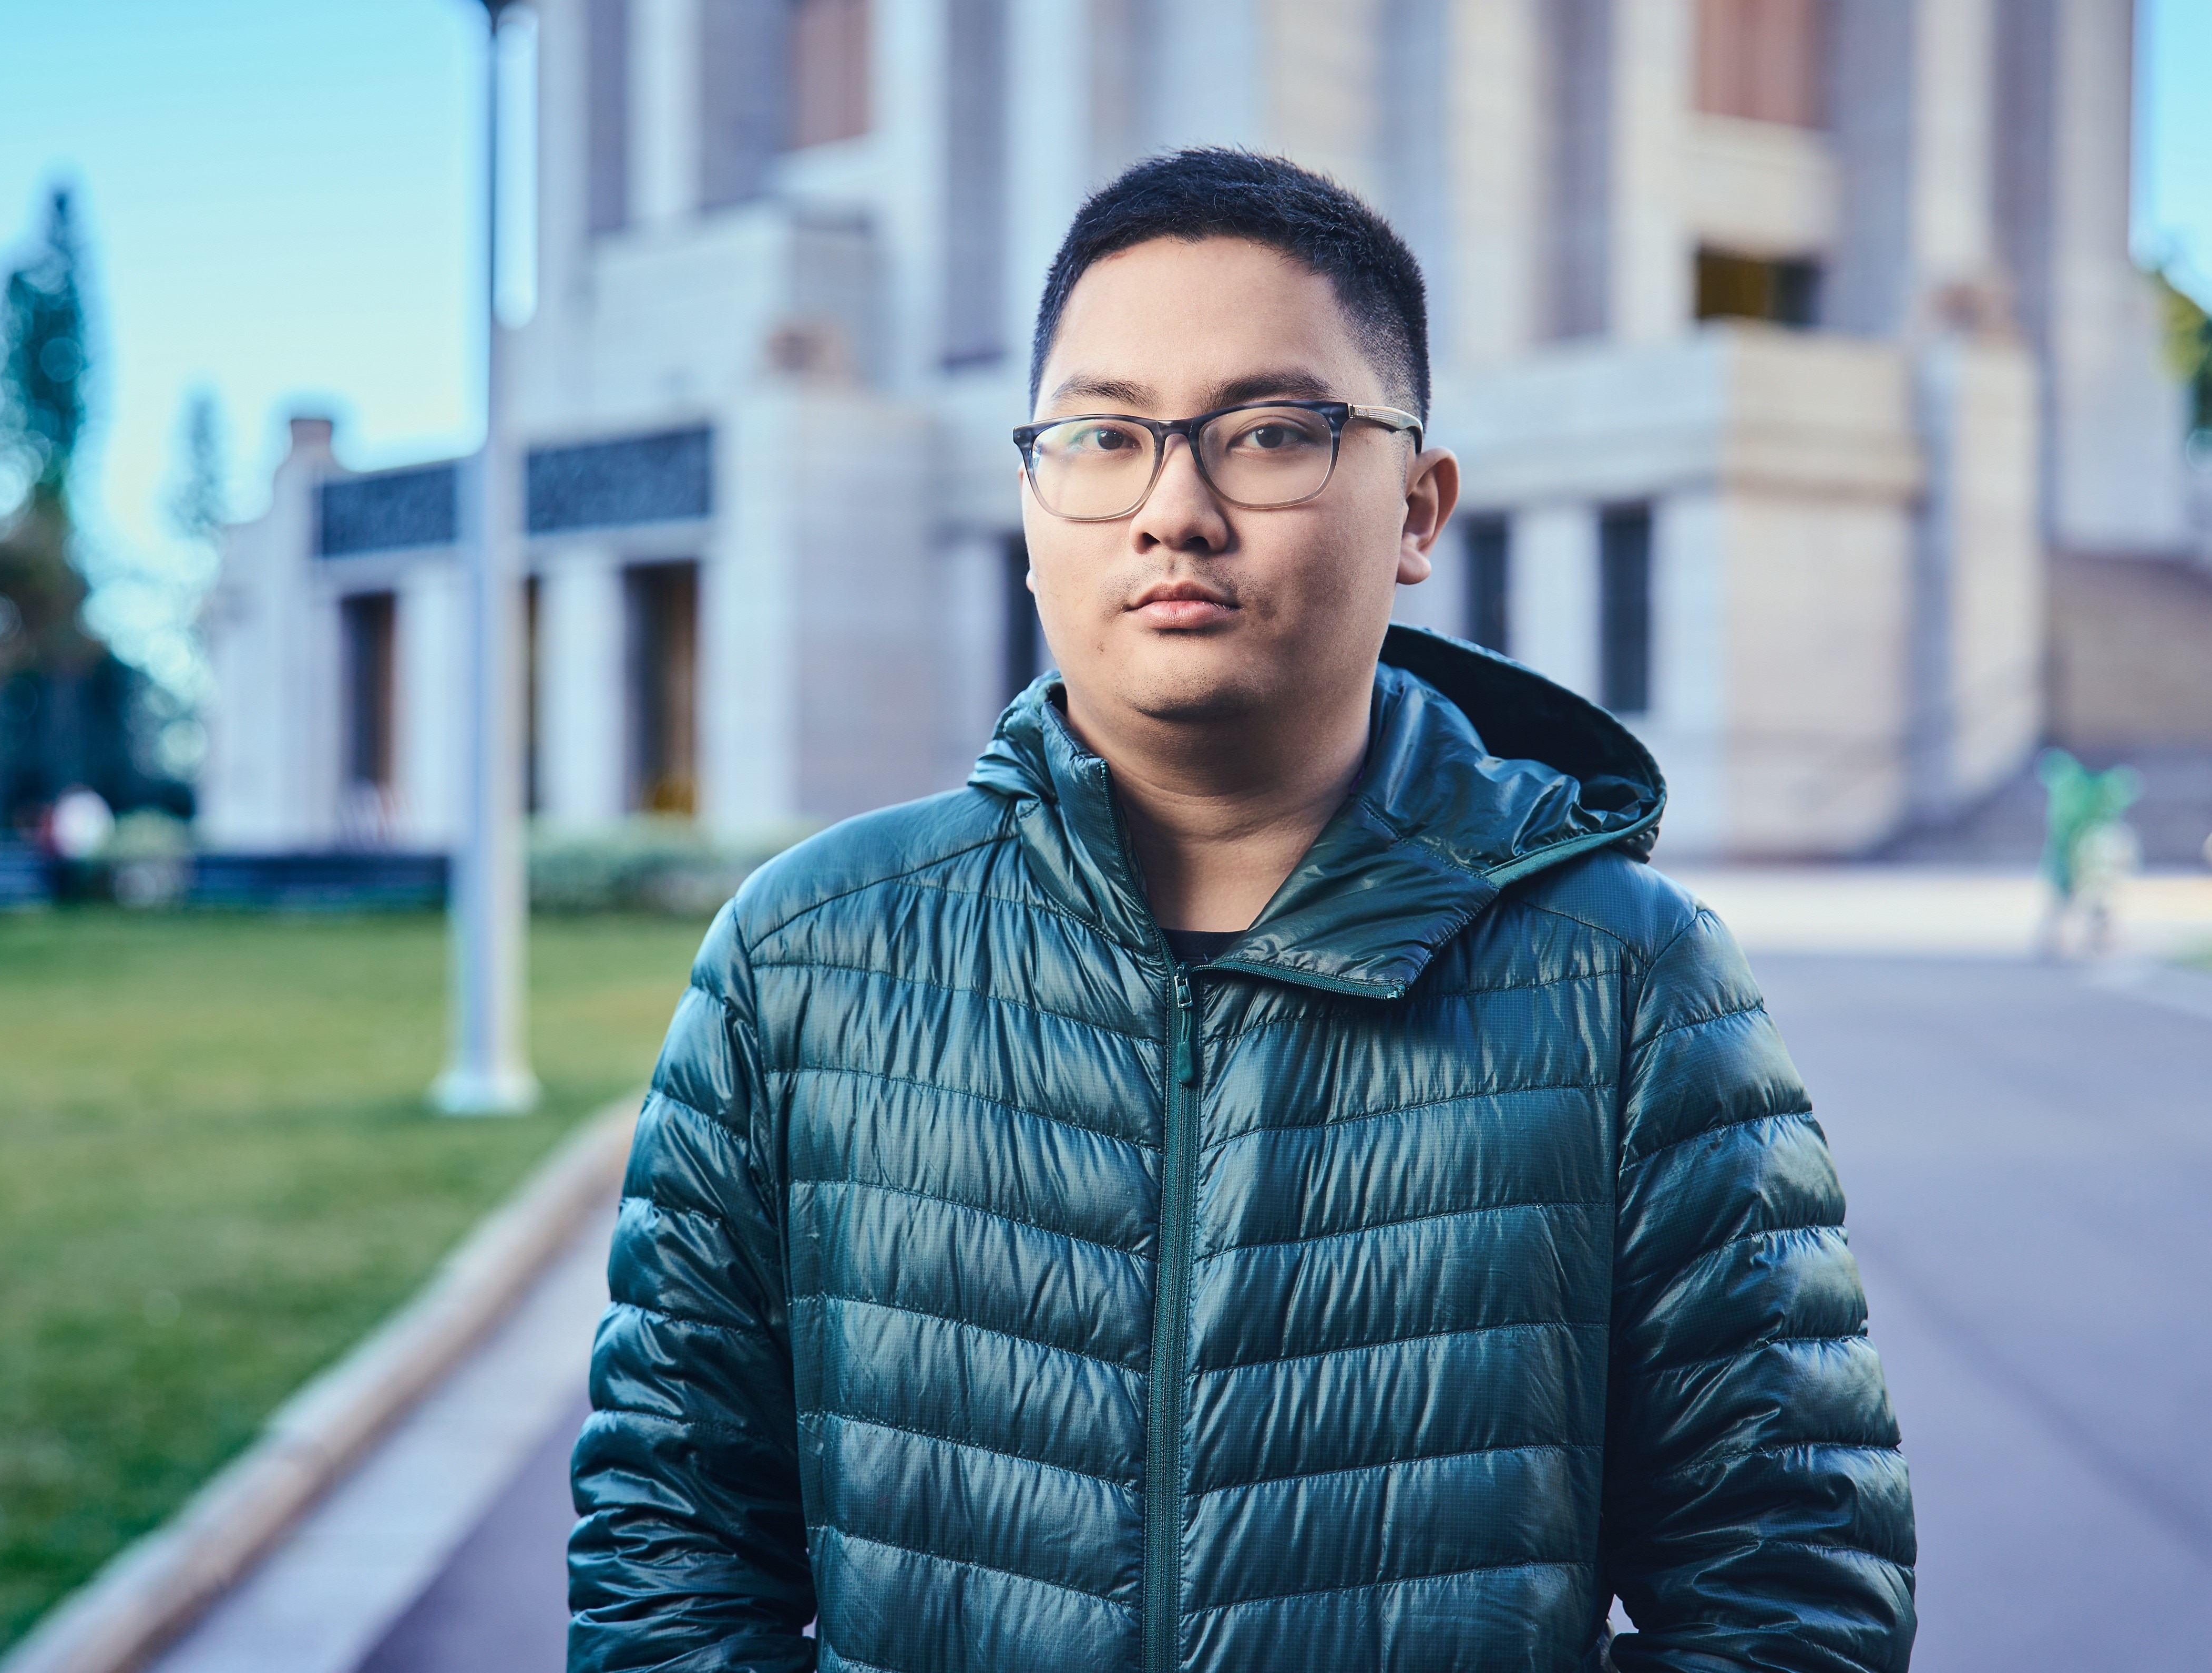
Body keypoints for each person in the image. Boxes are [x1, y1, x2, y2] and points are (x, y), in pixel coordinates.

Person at [569, 149, 1916, 1673]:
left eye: (1272, 433)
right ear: (1030, 509)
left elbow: (1793, 1596)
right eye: (1102, 437)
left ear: (1417, 509)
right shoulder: (803, 959)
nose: (1175, 508)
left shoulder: (1625, 980)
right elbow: (666, 1549)